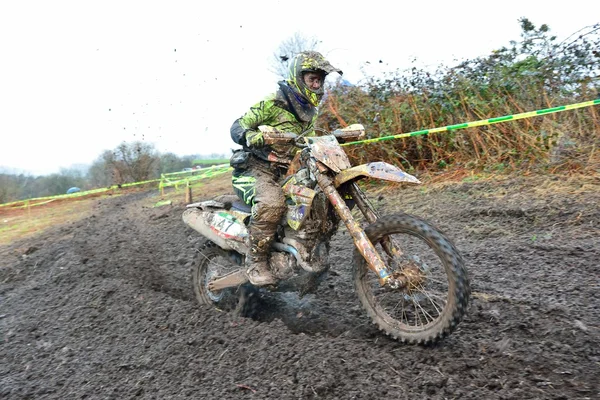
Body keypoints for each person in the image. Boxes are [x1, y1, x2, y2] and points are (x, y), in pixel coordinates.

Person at [229, 50, 342, 286]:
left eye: (320, 80)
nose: (317, 85)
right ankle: (256, 261)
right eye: (312, 79)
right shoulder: (272, 103)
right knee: (272, 204)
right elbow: (237, 127)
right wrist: (252, 136)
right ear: (299, 78)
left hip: (284, 172)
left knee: (319, 197)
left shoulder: (309, 112)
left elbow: (308, 142)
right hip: (254, 169)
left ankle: (307, 253)